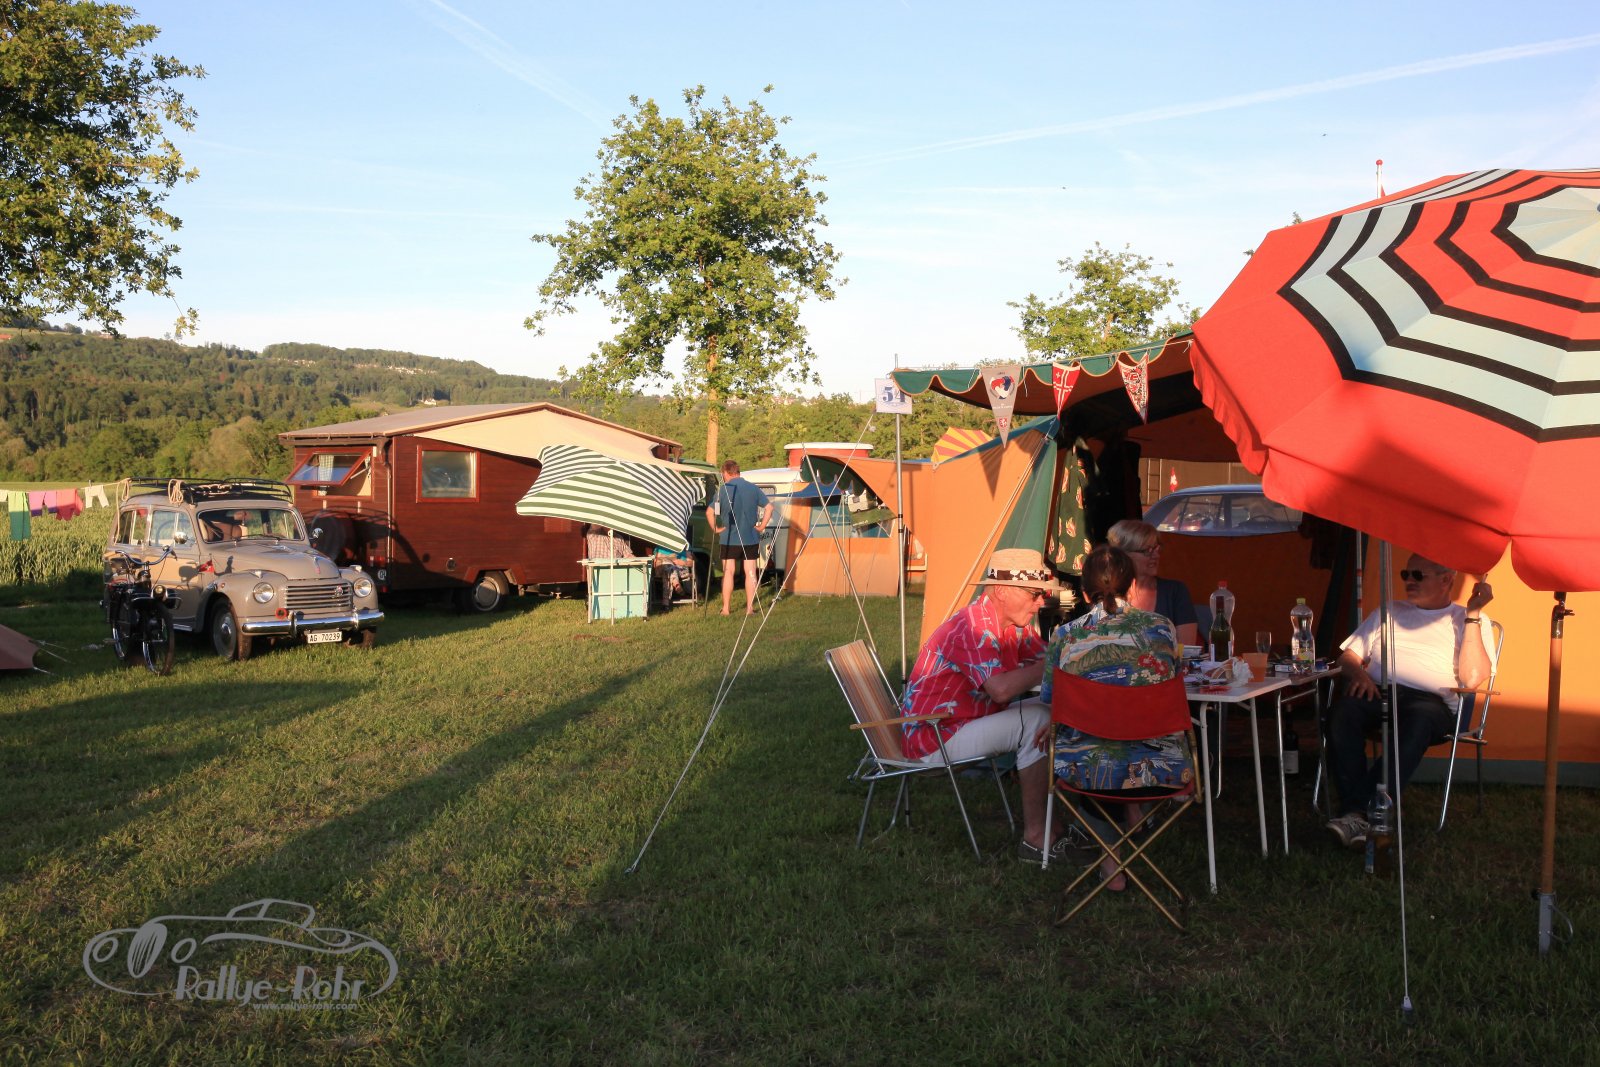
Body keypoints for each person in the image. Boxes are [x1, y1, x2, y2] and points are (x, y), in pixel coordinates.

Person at [1036, 545, 1191, 890]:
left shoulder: (1063, 636)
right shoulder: (1162, 628)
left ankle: (1111, 865)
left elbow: (1051, 699)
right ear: (1133, 586)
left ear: (1084, 593)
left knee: (1094, 746)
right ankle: (1131, 822)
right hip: (1162, 769)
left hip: (1085, 772)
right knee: (1120, 744)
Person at [901, 547, 1065, 864]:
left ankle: (1056, 824)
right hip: (933, 736)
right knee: (1037, 719)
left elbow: (1049, 658)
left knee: (1053, 711)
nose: (1041, 602)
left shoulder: (1011, 626)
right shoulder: (973, 627)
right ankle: (1037, 838)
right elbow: (1001, 690)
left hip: (959, 723)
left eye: (1042, 594)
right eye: (1034, 594)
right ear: (1002, 590)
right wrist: (1052, 666)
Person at [1324, 553, 1495, 848]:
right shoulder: (1388, 611)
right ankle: (1362, 814)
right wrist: (1360, 675)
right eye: (1406, 575)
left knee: (1418, 720)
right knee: (1342, 712)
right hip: (1378, 691)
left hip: (1431, 704)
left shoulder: (1467, 619)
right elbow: (1347, 657)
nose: (1409, 581)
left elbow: (1472, 679)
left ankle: (1357, 812)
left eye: (1418, 575)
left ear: (1446, 580)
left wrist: (1473, 615)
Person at [1106, 519, 1198, 646]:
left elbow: (1187, 648)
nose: (1156, 555)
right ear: (1123, 555)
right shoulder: (1107, 593)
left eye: (1157, 549)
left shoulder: (1175, 592)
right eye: (1147, 551)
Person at [706, 460, 772, 616]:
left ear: (726, 472)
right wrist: (761, 526)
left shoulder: (723, 490)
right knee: (750, 572)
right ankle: (750, 608)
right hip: (750, 537)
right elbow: (769, 507)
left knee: (728, 571)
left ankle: (726, 609)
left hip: (729, 537)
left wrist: (716, 529)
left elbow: (710, 512)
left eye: (723, 474)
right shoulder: (753, 488)